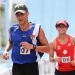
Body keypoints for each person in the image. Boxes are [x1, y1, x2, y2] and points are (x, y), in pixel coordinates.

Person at [3, 4, 49, 75]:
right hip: (16, 66)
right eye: (17, 15)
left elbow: (48, 49)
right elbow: (10, 42)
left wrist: (32, 47)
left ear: (28, 14)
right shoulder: (12, 29)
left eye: (22, 14)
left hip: (31, 66)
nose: (20, 17)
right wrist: (6, 51)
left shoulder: (37, 29)